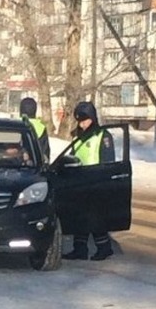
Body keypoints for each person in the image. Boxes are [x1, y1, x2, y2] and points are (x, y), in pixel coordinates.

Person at [63, 100, 115, 262]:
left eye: (85, 120)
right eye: (80, 121)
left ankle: (104, 248)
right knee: (80, 218)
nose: (82, 124)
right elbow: (73, 157)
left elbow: (108, 161)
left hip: (96, 182)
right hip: (80, 182)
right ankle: (80, 249)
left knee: (95, 219)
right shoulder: (78, 137)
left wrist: (104, 181)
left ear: (93, 118)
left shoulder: (103, 136)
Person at [19, 97, 50, 161]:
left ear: (21, 110)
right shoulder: (41, 127)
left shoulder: (15, 125)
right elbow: (45, 153)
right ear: (35, 110)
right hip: (35, 166)